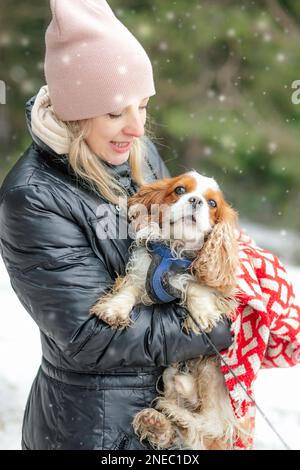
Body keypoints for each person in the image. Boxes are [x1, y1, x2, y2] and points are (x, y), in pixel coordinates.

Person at [0, 0, 233, 450]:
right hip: (94, 427)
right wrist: (215, 325)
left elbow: (183, 253)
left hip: (169, 415)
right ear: (74, 111)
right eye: (115, 112)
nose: (136, 127)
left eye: (143, 106)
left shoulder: (135, 153)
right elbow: (90, 339)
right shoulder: (33, 196)